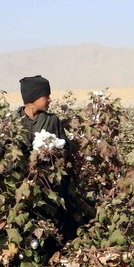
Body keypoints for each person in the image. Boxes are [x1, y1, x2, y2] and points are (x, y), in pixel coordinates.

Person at [16, 75, 83, 242]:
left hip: (48, 182)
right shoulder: (14, 121)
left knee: (54, 216)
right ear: (33, 98)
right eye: (46, 96)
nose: (50, 99)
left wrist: (51, 151)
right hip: (22, 182)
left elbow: (65, 149)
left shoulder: (52, 121)